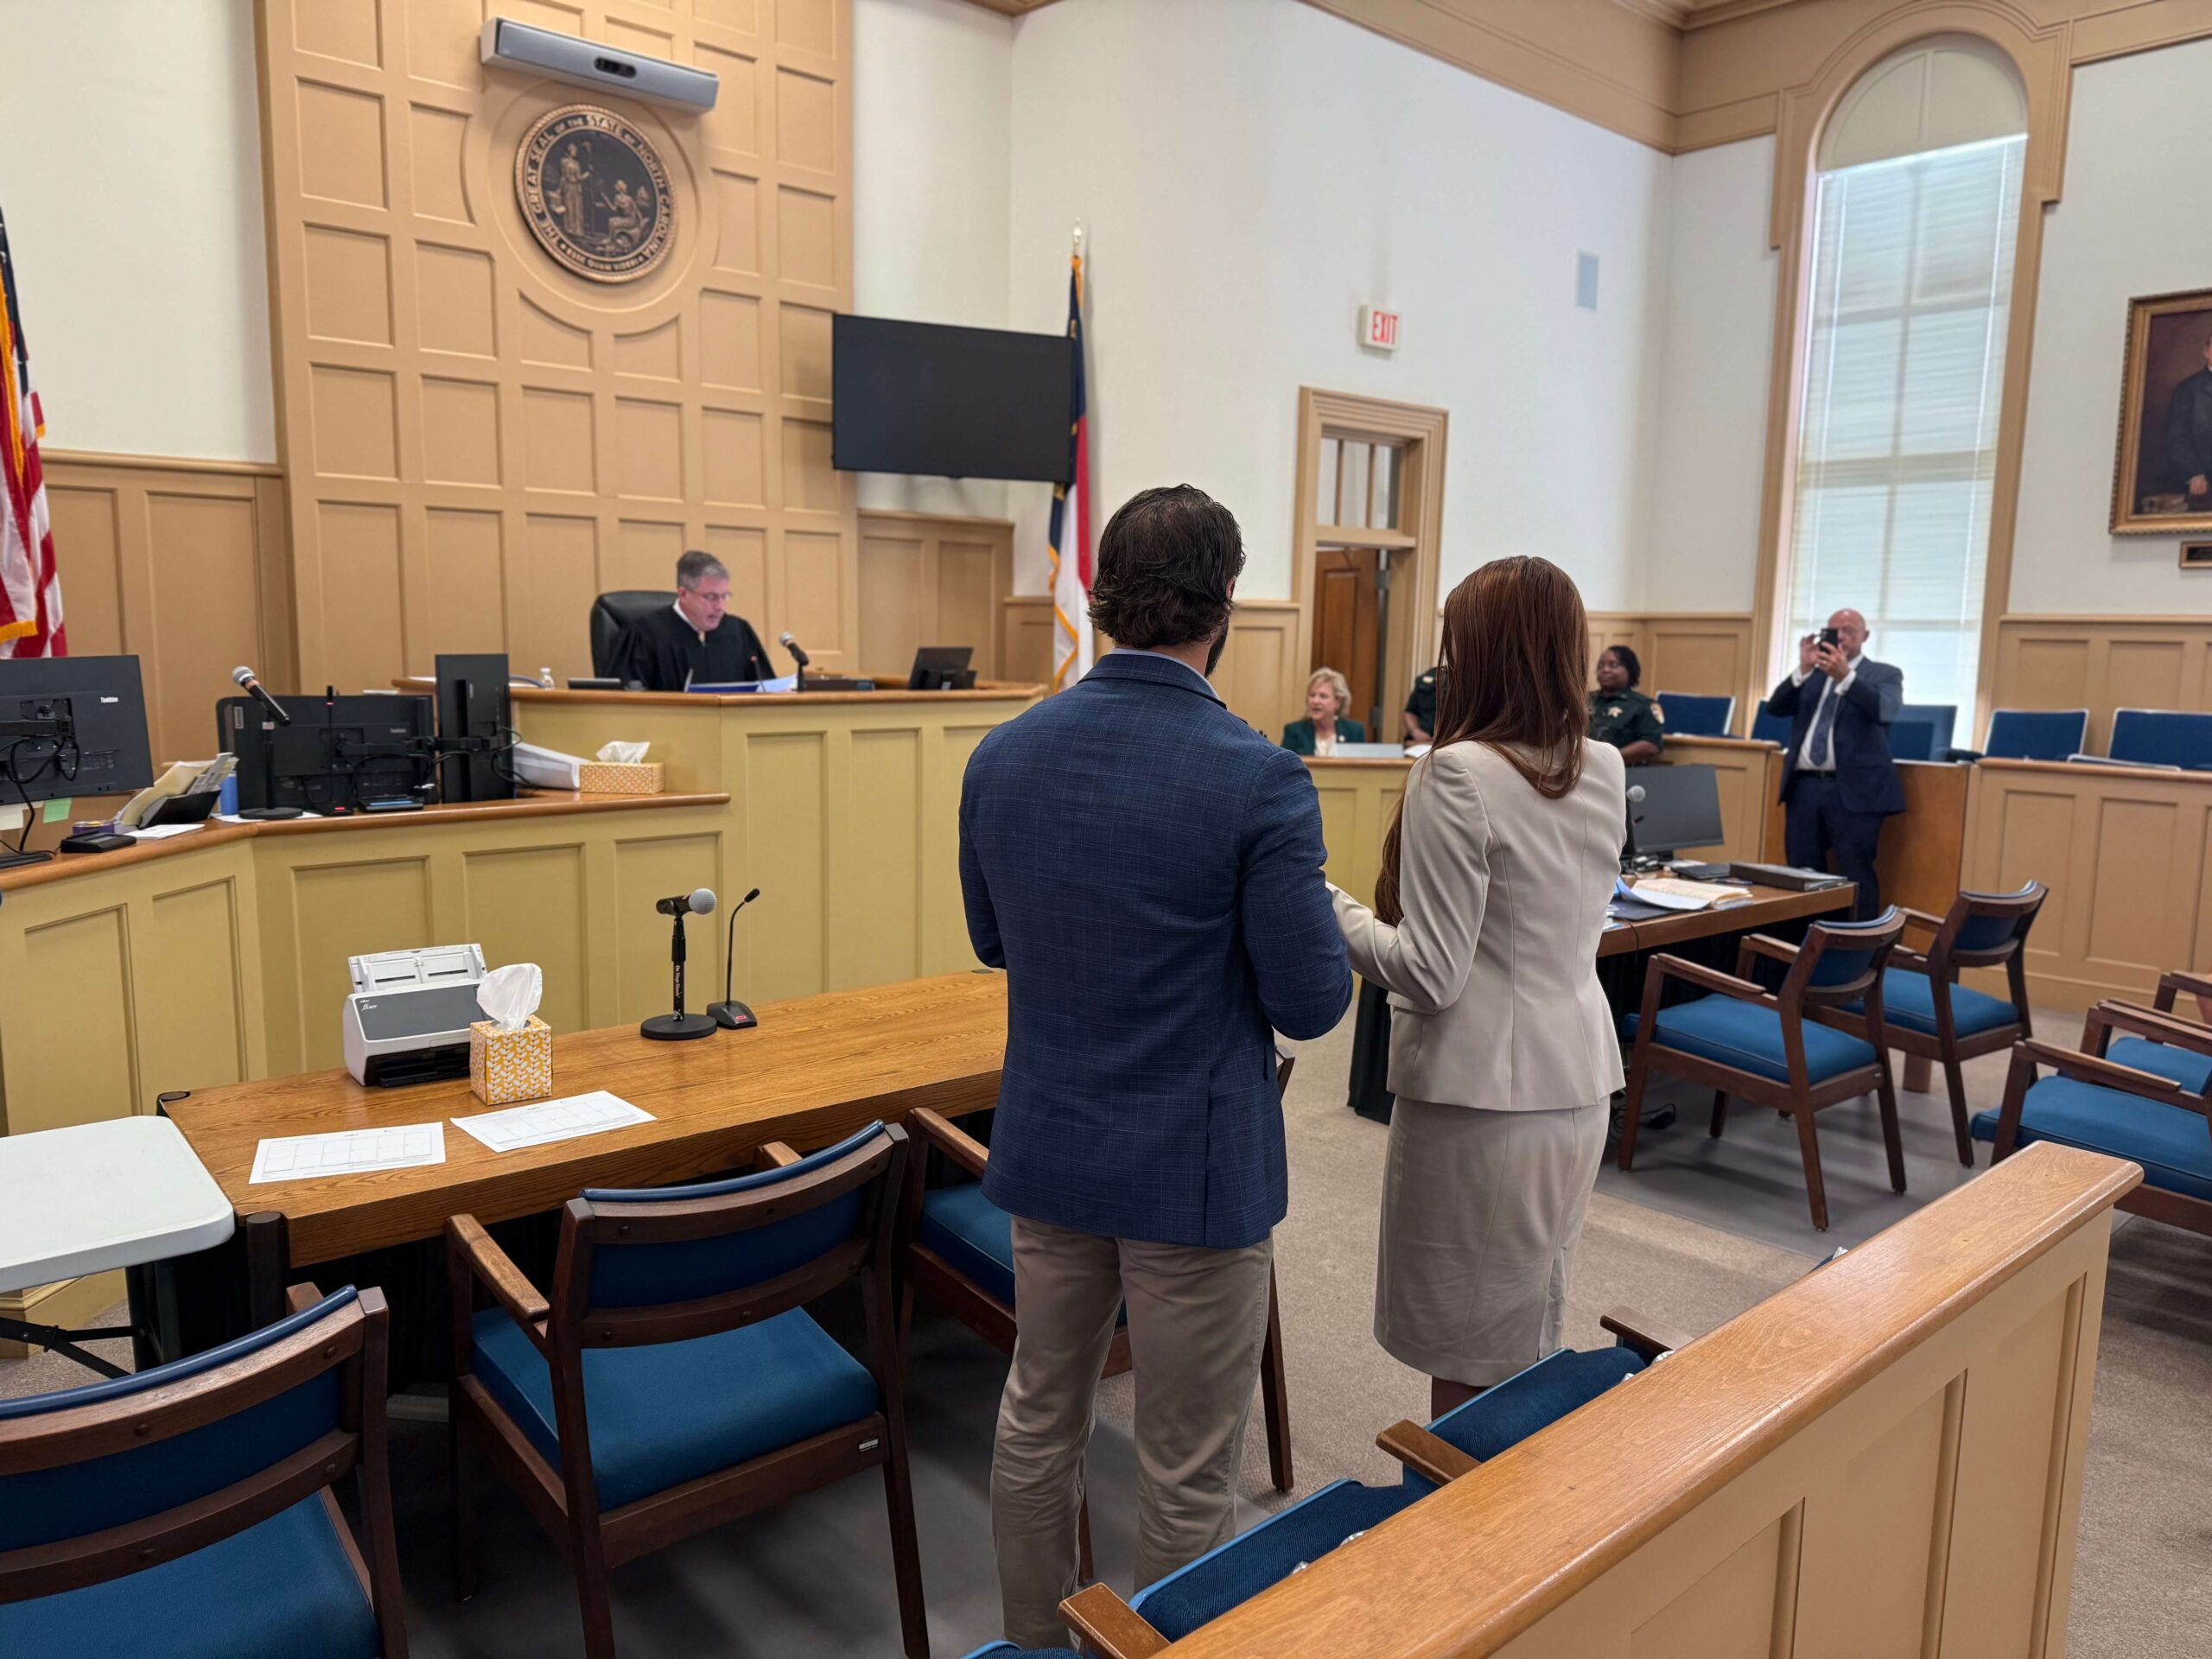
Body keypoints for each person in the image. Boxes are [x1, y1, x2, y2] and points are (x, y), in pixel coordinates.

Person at [959, 484, 1351, 1650]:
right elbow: (1314, 1002)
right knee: (1186, 1465)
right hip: (1193, 1168)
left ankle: (1033, 1647)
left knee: (1040, 1414)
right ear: (1223, 610)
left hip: (1052, 1151)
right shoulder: (1260, 778)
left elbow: (993, 942)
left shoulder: (1004, 753)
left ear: (1100, 594)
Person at [1330, 556, 1625, 1418]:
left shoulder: (1454, 773)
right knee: (1523, 1325)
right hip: (1574, 1083)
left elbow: (1428, 968)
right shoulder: (1600, 764)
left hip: (1480, 1098)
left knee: (1464, 1349)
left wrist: (1317, 899)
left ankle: (1469, 1531)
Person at [1764, 607, 1904, 919]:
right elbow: (1775, 707)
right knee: (1802, 875)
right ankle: (1804, 951)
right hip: (1805, 789)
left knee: (1856, 874)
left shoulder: (1884, 674)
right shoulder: (1813, 675)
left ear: (1865, 636)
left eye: (1850, 630)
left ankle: (1859, 955)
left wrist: (1847, 678)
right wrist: (1802, 668)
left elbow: (1886, 710)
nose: (1841, 637)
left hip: (1855, 793)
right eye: (1834, 630)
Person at [611, 550, 779, 691]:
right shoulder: (644, 634)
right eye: (711, 597)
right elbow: (624, 701)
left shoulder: (738, 630)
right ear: (683, 594)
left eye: (725, 596)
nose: (720, 607)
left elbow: (765, 688)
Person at [1587, 645, 1663, 764]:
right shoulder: (1585, 699)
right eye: (1600, 666)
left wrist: (1611, 758)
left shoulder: (1644, 705)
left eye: (1613, 665)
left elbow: (1651, 745)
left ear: (1630, 669)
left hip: (1622, 771)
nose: (1605, 670)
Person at [2163, 327, 2212, 505]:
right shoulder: (2188, 389)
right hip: (2205, 481)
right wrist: (2194, 473)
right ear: (2206, 351)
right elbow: (2176, 437)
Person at [1281, 666, 1368, 754]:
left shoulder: (1354, 732)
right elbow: (1284, 766)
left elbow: (1359, 767)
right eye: (1312, 695)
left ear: (1338, 702)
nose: (1315, 701)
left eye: (1323, 696)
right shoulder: (1294, 732)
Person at [1404, 666, 1440, 743]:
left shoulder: (1467, 679)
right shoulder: (1429, 677)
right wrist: (1415, 731)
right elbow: (1410, 712)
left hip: (1451, 745)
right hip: (1422, 743)